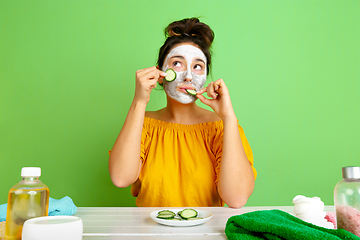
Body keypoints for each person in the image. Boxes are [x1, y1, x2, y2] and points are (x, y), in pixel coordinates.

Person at [108, 18, 257, 208]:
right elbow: (121, 178)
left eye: (197, 66)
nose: (188, 75)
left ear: (205, 76)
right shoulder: (143, 124)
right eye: (177, 63)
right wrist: (139, 101)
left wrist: (228, 117)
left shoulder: (220, 127)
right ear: (160, 74)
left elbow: (237, 199)